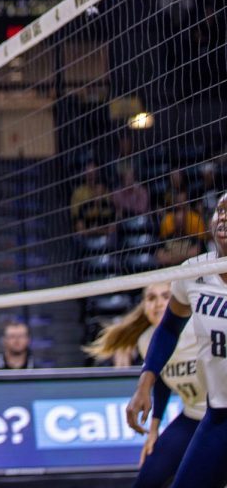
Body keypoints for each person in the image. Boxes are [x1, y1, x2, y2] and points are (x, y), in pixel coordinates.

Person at [126, 195, 227, 488]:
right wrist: (144, 384)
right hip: (218, 414)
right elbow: (169, 329)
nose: (223, 218)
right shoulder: (193, 273)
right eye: (220, 211)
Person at [93, 283, 203, 488]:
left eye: (165, 296)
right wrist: (154, 430)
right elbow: (161, 381)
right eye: (151, 298)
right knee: (148, 477)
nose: (158, 303)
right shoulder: (146, 340)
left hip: (219, 415)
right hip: (192, 416)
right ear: (143, 306)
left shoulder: (200, 328)